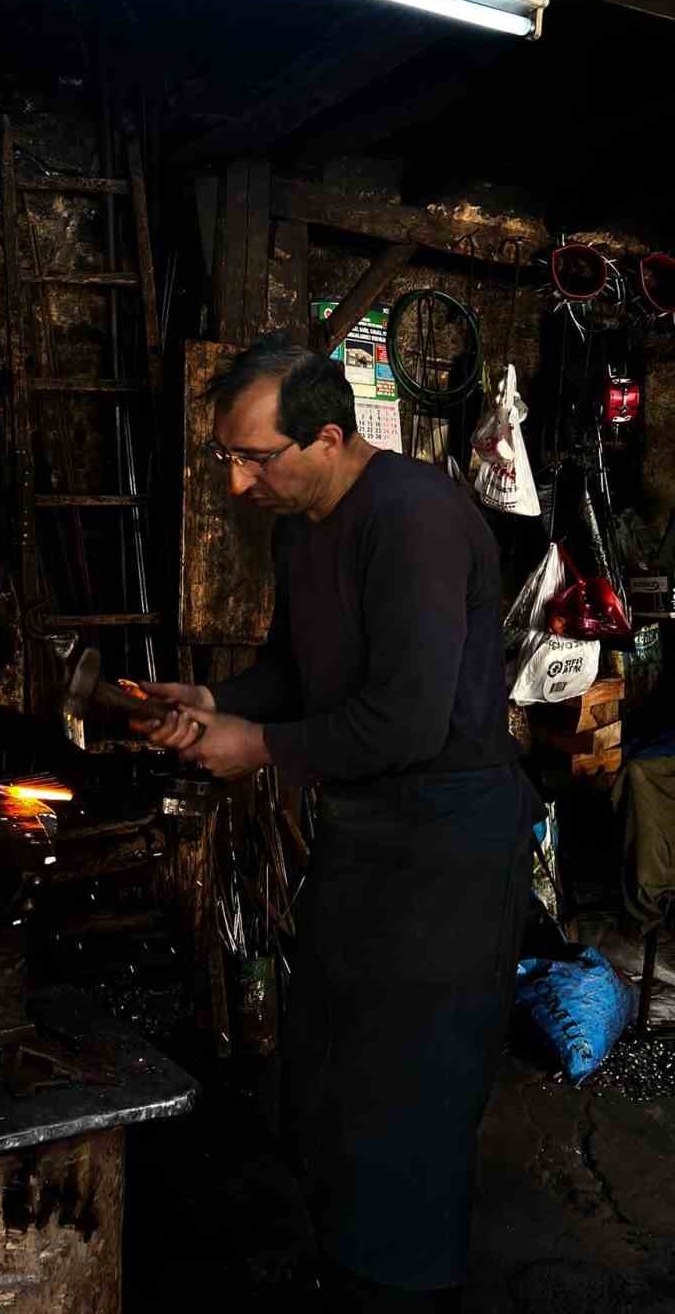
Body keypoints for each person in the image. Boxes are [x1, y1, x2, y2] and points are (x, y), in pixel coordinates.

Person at [140, 334, 533, 1312]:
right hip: (365, 838)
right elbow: (293, 671)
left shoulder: (414, 521)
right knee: (330, 1076)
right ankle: (351, 1271)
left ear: (326, 435)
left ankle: (407, 1292)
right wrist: (216, 697)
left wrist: (262, 748)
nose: (237, 483)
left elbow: (407, 717)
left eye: (254, 458)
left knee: (412, 1101)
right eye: (226, 458)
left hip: (448, 847)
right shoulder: (299, 529)